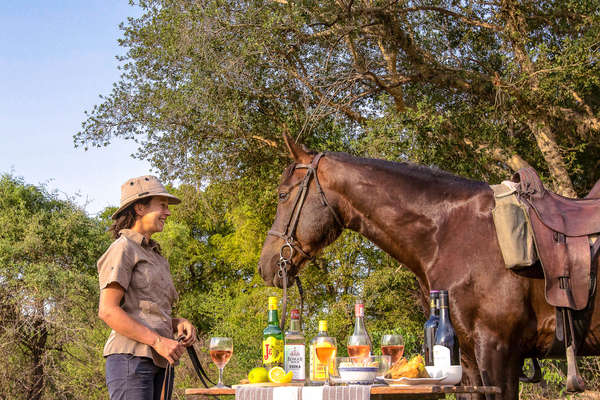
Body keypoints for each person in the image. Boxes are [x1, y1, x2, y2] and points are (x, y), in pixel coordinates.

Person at [97, 175, 197, 400]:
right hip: (130, 360)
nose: (168, 212)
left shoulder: (156, 257)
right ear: (140, 208)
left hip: (161, 362)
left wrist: (177, 323)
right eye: (162, 205)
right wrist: (158, 341)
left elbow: (145, 312)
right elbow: (108, 310)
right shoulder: (122, 248)